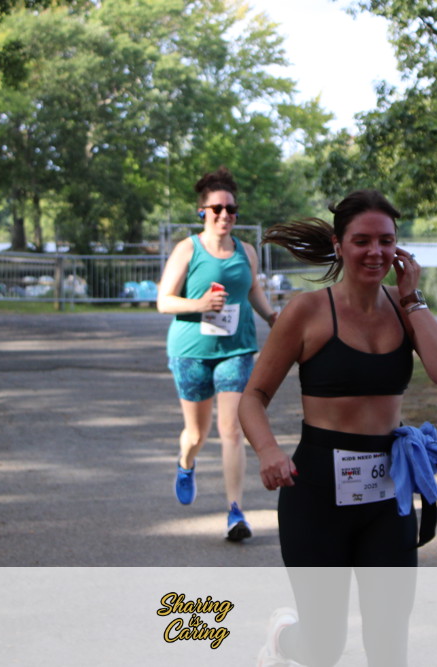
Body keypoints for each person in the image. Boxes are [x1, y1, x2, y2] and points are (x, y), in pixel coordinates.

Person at [239, 189, 437, 666]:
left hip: (387, 495)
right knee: (324, 647)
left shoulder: (405, 308)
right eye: (362, 241)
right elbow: (253, 397)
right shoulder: (307, 311)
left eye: (387, 240)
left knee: (389, 642)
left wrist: (413, 298)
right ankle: (281, 639)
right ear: (339, 245)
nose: (376, 252)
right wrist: (268, 451)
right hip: (316, 493)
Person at [156, 166, 278, 541]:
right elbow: (163, 301)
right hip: (191, 350)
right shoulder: (187, 249)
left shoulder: (246, 251)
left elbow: (253, 290)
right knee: (197, 433)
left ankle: (235, 512)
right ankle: (186, 462)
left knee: (232, 430)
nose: (225, 215)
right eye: (217, 209)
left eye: (231, 209)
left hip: (236, 349)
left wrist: (273, 317)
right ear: (203, 212)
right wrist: (200, 304)